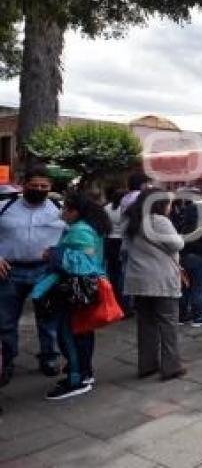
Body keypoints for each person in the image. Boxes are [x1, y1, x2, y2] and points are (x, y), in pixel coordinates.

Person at [35, 191, 111, 399]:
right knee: (82, 332)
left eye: (65, 208)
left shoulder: (80, 230)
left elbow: (82, 260)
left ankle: (77, 377)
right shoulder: (90, 227)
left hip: (74, 288)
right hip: (85, 288)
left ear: (75, 211)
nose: (62, 212)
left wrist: (53, 253)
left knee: (69, 333)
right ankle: (82, 373)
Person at [0, 164, 66, 387]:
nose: (38, 189)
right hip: (9, 271)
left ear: (50, 187)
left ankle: (49, 357)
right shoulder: (4, 206)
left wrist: (61, 254)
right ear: (24, 185)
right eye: (34, 185)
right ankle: (6, 361)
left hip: (44, 271)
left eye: (43, 186)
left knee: (48, 319)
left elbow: (75, 235)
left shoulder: (60, 208)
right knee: (6, 321)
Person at [123, 188, 187, 380]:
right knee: (168, 324)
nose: (169, 207)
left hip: (139, 280)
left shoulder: (131, 221)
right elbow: (177, 244)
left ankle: (147, 364)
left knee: (146, 324)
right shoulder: (159, 221)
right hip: (161, 279)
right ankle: (171, 366)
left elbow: (125, 248)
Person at [103, 189, 129, 315]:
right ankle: (124, 304)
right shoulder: (125, 209)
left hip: (109, 241)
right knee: (122, 274)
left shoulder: (107, 208)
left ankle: (113, 301)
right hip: (121, 241)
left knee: (112, 274)